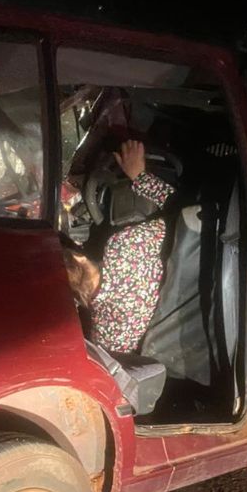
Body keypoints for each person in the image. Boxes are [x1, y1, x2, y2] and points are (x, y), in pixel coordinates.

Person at [67, 139, 174, 354]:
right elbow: (179, 213)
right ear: (79, 257)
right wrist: (139, 175)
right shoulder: (124, 246)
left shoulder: (106, 337)